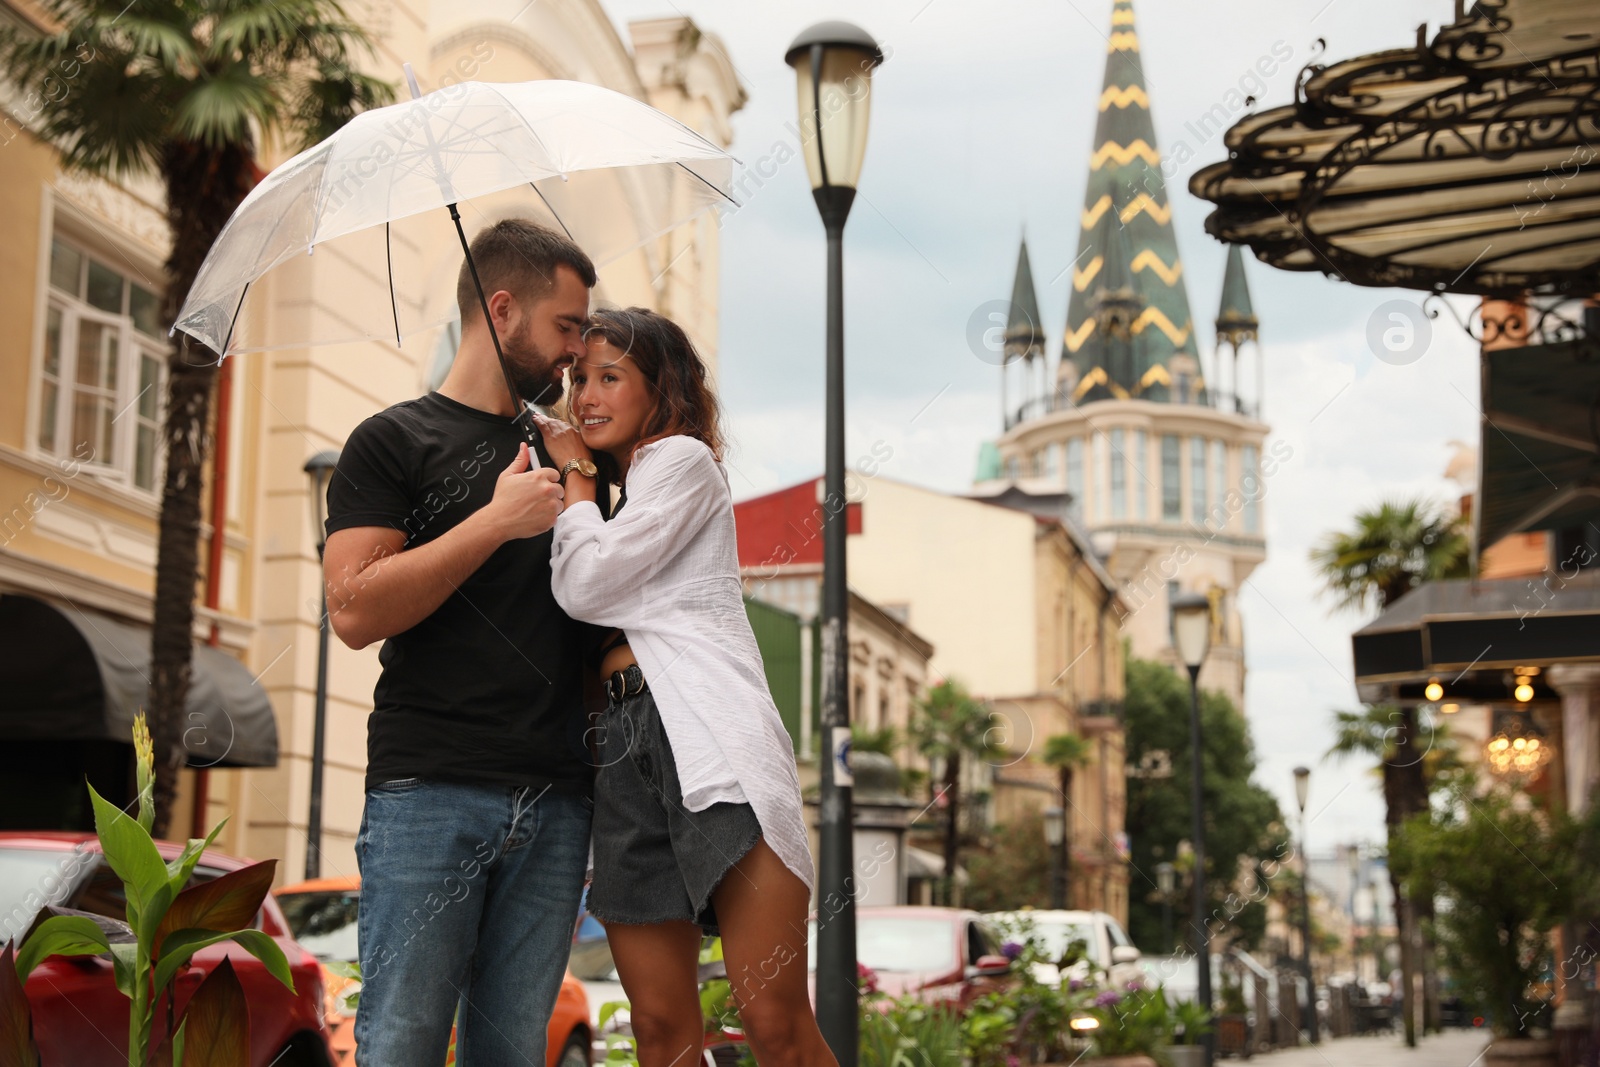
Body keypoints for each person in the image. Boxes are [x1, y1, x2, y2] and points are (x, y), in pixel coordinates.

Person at [321, 219, 597, 1067]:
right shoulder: (391, 441)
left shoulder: (567, 451)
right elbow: (355, 609)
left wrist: (584, 477)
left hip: (556, 800)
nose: (575, 354)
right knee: (401, 1043)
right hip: (428, 790)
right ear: (502, 308)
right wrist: (493, 522)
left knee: (513, 1055)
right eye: (566, 327)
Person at [533, 307, 838, 1067]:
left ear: (658, 389)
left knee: (774, 1023)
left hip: (705, 738)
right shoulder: (617, 499)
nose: (587, 397)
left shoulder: (680, 463)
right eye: (579, 380)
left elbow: (584, 582)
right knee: (660, 1031)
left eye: (610, 377)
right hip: (623, 749)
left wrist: (571, 472)